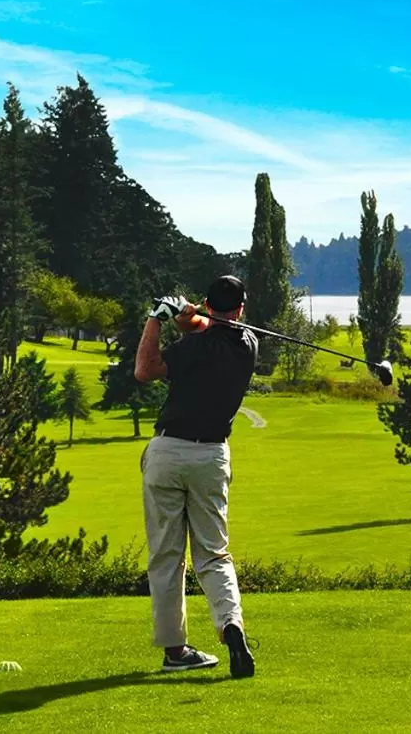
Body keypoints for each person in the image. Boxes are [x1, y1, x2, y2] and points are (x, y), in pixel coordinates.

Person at [134, 274, 258, 678]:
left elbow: (145, 370)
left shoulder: (191, 348)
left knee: (167, 556)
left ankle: (175, 650)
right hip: (212, 456)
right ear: (241, 309)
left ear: (208, 303)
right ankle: (231, 625)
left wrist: (157, 318)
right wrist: (187, 315)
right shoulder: (248, 345)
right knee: (214, 552)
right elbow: (210, 327)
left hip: (168, 451)